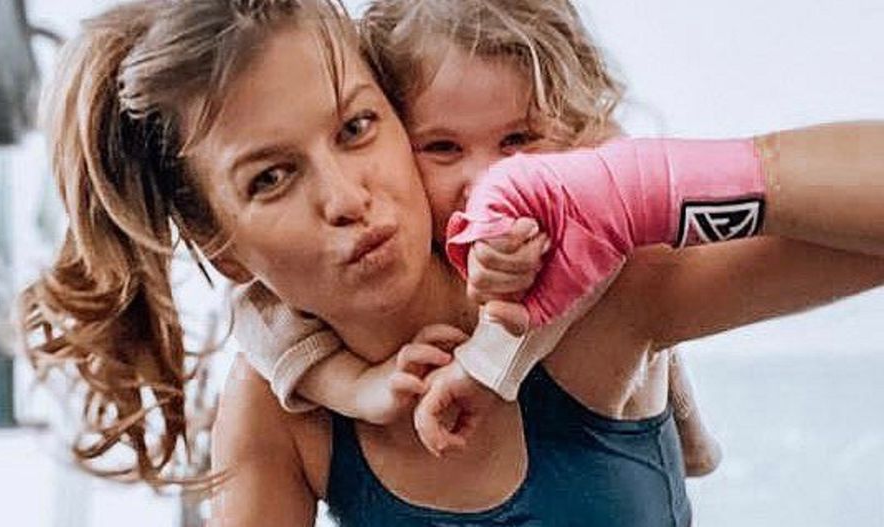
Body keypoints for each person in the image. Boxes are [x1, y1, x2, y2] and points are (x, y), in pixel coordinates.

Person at [17, 0, 884, 525]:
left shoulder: (604, 297)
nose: (346, 196)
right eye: (271, 177)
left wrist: (638, 186)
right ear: (222, 247)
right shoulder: (276, 412)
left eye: (356, 127)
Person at [232, 0, 728, 475]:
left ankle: (691, 437)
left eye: (518, 140)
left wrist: (485, 364)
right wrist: (354, 386)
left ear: (574, 120)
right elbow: (257, 309)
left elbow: (617, 223)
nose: (487, 182)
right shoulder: (398, 241)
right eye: (443, 148)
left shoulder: (589, 176)